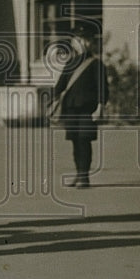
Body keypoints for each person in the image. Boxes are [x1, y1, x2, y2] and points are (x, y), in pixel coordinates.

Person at [50, 23, 109, 188]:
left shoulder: (96, 64)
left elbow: (103, 88)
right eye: (79, 40)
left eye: (86, 40)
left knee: (84, 141)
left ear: (90, 42)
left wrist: (100, 107)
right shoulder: (70, 63)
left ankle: (84, 176)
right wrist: (52, 101)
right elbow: (60, 85)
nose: (82, 43)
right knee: (75, 141)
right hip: (71, 108)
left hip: (87, 109)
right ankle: (78, 174)